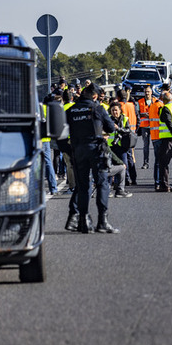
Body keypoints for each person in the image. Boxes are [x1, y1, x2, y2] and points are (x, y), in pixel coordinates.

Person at [65, 84, 121, 233]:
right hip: (96, 150)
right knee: (102, 184)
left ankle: (84, 222)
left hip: (78, 151)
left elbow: (63, 131)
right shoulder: (97, 108)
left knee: (83, 187)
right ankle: (102, 222)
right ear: (95, 96)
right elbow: (110, 128)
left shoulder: (71, 110)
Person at [106, 102, 134, 198]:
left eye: (116, 110)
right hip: (110, 147)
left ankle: (119, 189)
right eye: (113, 110)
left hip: (122, 146)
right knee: (110, 167)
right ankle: (108, 189)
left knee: (122, 166)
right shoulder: (108, 119)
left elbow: (128, 130)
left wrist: (119, 128)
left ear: (120, 111)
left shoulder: (125, 119)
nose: (114, 112)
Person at [136, 85, 156, 169]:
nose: (147, 93)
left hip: (154, 127)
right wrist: (143, 114)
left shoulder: (155, 101)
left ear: (151, 92)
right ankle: (145, 163)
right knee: (146, 146)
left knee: (156, 146)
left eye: (148, 91)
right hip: (144, 127)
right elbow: (137, 113)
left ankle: (157, 163)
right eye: (145, 92)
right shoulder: (140, 102)